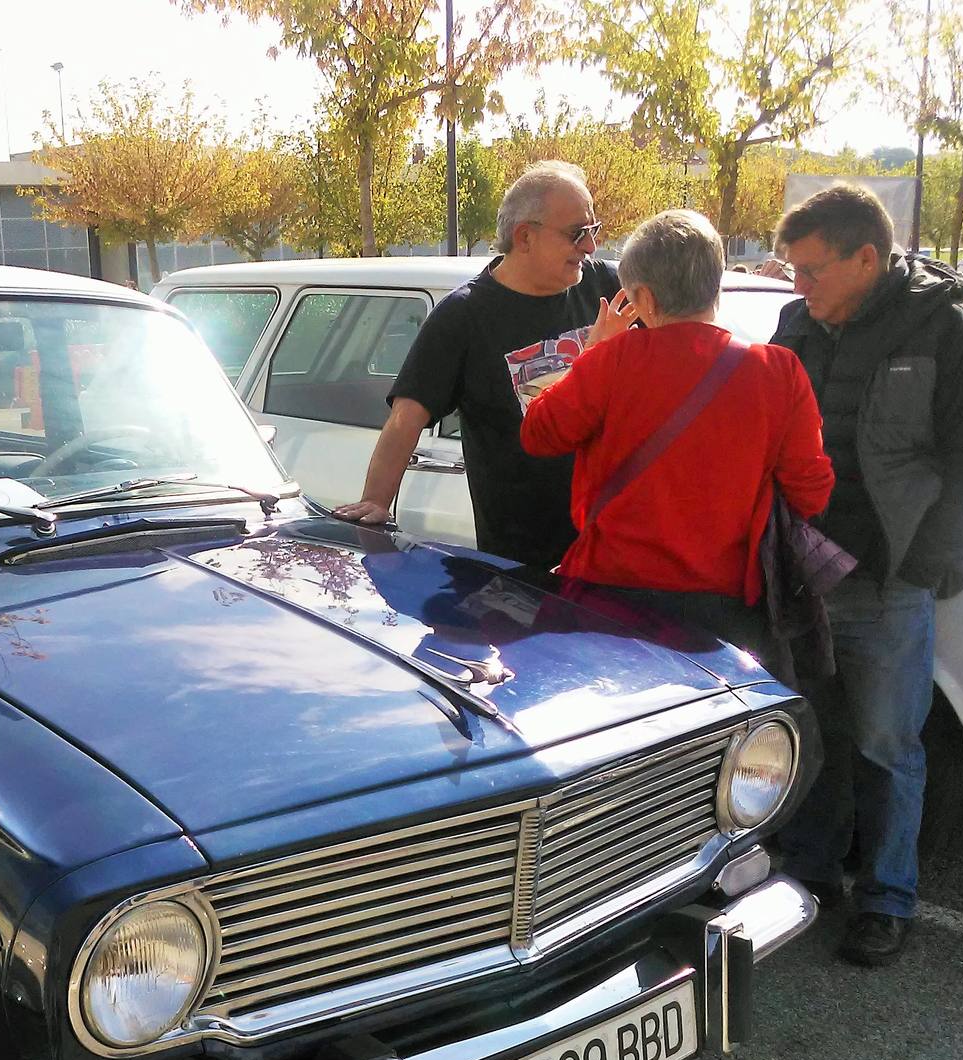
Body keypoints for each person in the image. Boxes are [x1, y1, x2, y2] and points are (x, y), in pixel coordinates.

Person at [769, 184, 963, 968]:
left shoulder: (951, 325)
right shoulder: (795, 323)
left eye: (810, 270)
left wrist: (926, 557)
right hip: (804, 574)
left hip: (888, 581)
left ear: (866, 258)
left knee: (887, 744)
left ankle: (886, 899)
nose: (797, 287)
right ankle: (807, 879)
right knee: (812, 735)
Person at [519, 209, 833, 675]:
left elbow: (539, 434)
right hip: (726, 607)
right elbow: (812, 491)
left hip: (611, 595)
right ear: (715, 285)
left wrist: (593, 351)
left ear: (644, 296)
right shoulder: (778, 370)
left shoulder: (612, 361)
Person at [332, 161, 624, 570]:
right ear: (525, 236)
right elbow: (406, 417)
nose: (591, 247)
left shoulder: (607, 287)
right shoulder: (465, 316)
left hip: (613, 551)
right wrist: (376, 503)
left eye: (593, 231)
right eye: (578, 234)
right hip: (524, 571)